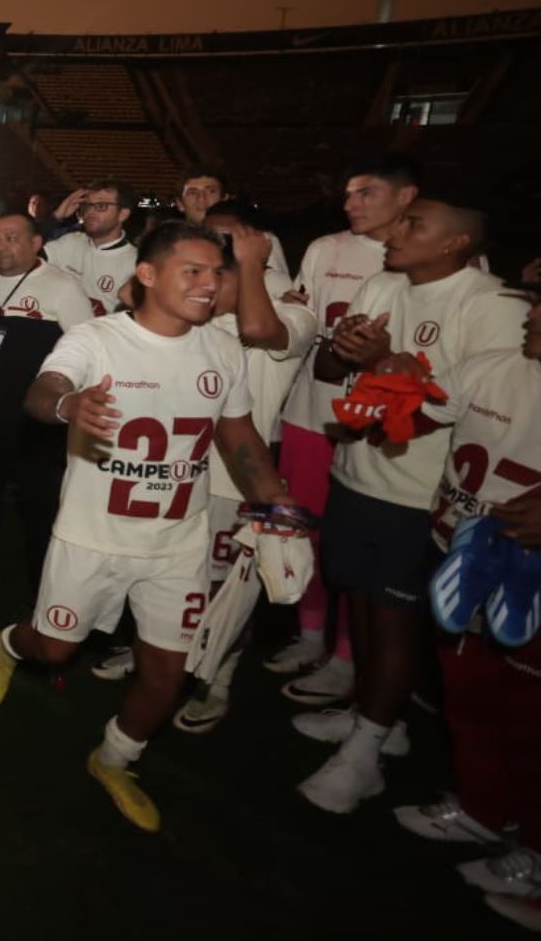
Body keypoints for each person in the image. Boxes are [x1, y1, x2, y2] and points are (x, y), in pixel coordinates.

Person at [0, 221, 303, 833]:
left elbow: (238, 436)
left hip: (178, 542)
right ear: (147, 276)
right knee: (55, 648)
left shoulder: (223, 348)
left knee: (167, 675)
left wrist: (275, 498)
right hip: (91, 537)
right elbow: (43, 392)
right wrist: (70, 405)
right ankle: (8, 643)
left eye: (218, 272)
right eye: (195, 271)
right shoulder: (96, 338)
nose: (211, 285)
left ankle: (116, 757)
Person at [296, 194, 529, 814]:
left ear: (456, 242)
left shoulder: (493, 307)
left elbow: (479, 411)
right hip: (357, 470)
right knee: (366, 606)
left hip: (419, 490)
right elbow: (328, 372)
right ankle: (375, 721)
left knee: (398, 620)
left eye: (412, 223)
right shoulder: (381, 283)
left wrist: (379, 362)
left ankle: (365, 753)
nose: (395, 232)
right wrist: (343, 349)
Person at [391, 299, 541, 927]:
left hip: (531, 582)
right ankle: (484, 810)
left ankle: (533, 852)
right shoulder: (494, 365)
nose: (531, 313)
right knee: (468, 694)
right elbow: (416, 415)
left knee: (531, 721)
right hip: (461, 558)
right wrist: (388, 375)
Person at [270, 154, 420, 705]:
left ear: (406, 197)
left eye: (366, 193)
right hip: (312, 410)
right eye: (349, 194)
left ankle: (348, 656)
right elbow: (304, 321)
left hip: (379, 426)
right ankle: (311, 635)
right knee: (304, 528)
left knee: (358, 542)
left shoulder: (431, 258)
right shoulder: (325, 248)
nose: (351, 203)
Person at [165, 202, 317, 732]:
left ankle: (217, 679)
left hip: (238, 480)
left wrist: (252, 264)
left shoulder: (293, 311)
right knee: (174, 576)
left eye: (222, 256)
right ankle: (163, 659)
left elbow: (256, 325)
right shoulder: (194, 313)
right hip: (181, 470)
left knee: (226, 589)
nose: (208, 268)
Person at [0, 212, 93, 591]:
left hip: (37, 420)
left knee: (39, 503)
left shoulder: (62, 287)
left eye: (13, 238)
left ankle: (41, 582)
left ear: (36, 244)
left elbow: (87, 348)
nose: (2, 247)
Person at [46, 178, 137, 315]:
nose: (90, 213)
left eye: (101, 205)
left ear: (122, 214)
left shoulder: (135, 263)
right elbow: (26, 256)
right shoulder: (71, 242)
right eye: (87, 206)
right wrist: (55, 218)